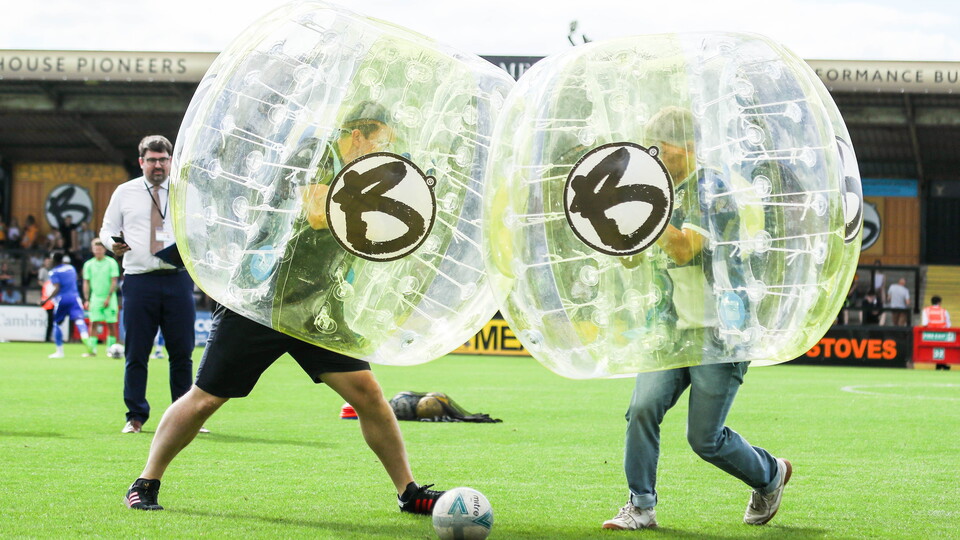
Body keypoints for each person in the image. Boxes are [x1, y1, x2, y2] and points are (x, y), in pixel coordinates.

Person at [123, 107, 445, 518]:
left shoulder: (358, 171)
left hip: (317, 304)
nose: (385, 152)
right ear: (359, 136)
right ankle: (145, 482)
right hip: (264, 298)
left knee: (368, 394)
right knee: (205, 399)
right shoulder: (315, 151)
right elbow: (315, 214)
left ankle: (409, 492)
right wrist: (381, 210)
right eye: (382, 142)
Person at [603, 107, 790, 531]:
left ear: (686, 147)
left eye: (661, 148)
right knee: (642, 408)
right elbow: (633, 262)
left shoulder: (713, 189)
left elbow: (686, 247)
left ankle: (771, 474)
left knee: (704, 439)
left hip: (720, 331)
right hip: (668, 328)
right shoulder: (653, 189)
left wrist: (642, 214)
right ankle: (641, 505)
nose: (652, 156)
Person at [99, 135, 197, 434]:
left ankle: (184, 418)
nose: (158, 165)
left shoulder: (185, 190)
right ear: (141, 161)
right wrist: (110, 244)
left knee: (182, 353)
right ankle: (135, 417)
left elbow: (200, 226)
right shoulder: (124, 192)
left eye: (163, 159)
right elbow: (107, 228)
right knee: (136, 353)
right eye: (152, 160)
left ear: (171, 161)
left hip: (178, 279)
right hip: (139, 280)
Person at [38, 252, 94, 358]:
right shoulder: (70, 268)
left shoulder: (53, 272)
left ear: (54, 260)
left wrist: (46, 300)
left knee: (57, 323)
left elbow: (57, 288)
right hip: (75, 298)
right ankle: (87, 342)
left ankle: (59, 352)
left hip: (62, 299)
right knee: (79, 321)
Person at [82, 238, 121, 357]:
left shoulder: (111, 263)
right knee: (93, 323)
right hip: (95, 298)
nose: (98, 251)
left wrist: (108, 297)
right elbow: (86, 282)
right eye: (96, 249)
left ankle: (111, 349)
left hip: (110, 297)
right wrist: (87, 299)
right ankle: (92, 350)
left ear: (104, 249)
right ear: (93, 250)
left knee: (111, 324)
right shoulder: (88, 264)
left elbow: (114, 281)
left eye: (100, 249)